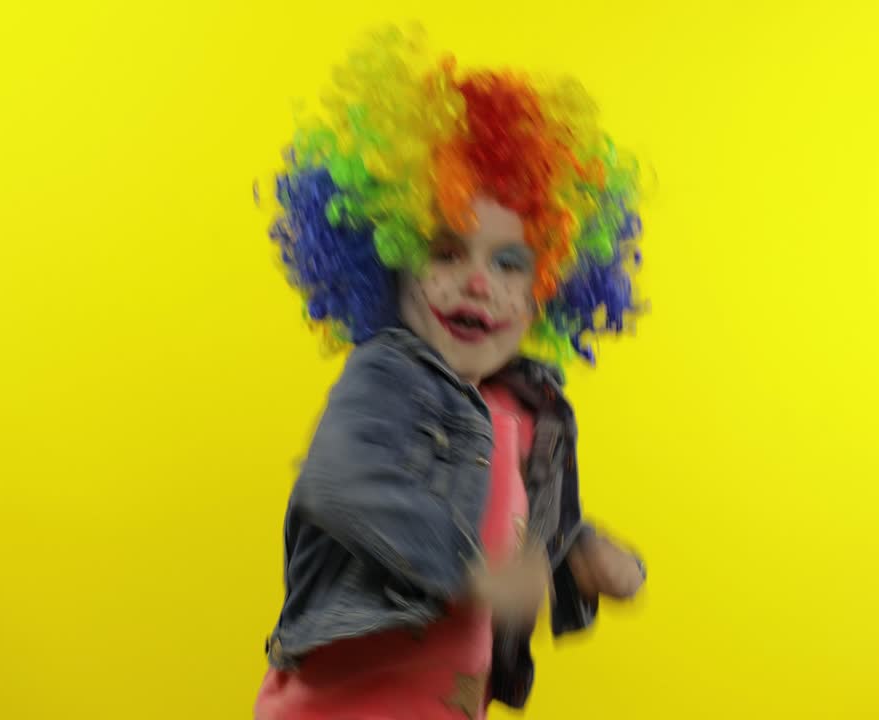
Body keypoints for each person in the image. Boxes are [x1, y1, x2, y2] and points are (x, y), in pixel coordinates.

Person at [255, 26, 648, 719]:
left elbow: (528, 534)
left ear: (548, 287)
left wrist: (582, 556)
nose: (476, 284)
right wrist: (468, 569)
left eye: (509, 263)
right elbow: (340, 481)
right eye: (444, 251)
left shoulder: (530, 414)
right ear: (390, 256)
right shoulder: (388, 379)